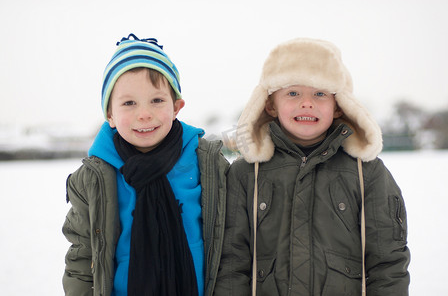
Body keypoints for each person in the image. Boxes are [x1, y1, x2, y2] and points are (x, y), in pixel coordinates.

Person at [214, 38, 410, 295]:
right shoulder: (245, 174)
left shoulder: (367, 172)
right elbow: (231, 262)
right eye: (293, 93)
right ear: (270, 104)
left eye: (320, 93)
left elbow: (388, 263)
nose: (307, 103)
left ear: (338, 105)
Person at [62, 34, 228, 296]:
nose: (144, 114)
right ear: (110, 115)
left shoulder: (206, 163)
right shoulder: (94, 178)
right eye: (129, 103)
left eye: (157, 100)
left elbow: (230, 246)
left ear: (176, 107)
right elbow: (82, 260)